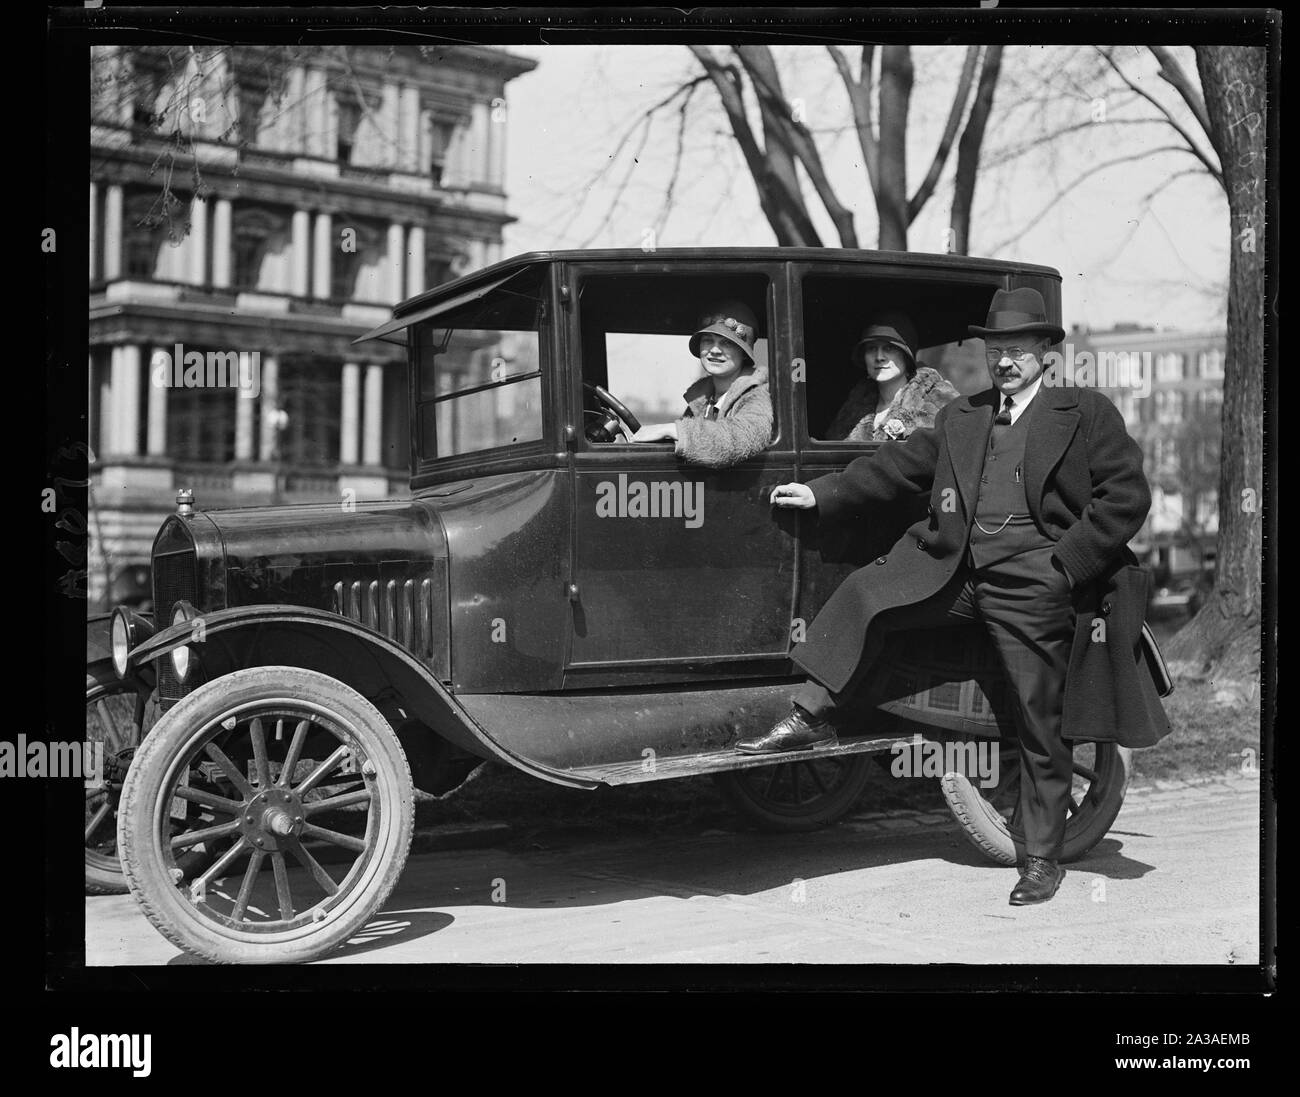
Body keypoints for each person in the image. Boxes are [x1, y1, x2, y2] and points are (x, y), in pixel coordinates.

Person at [742, 287, 1170, 906]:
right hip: (958, 572)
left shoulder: (1085, 413)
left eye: (1018, 349)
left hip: (1037, 583)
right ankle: (813, 716)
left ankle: (1042, 859)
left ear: (1046, 354)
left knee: (1038, 717)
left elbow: (1125, 498)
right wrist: (823, 493)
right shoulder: (963, 416)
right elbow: (897, 468)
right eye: (996, 348)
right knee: (870, 593)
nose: (1005, 360)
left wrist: (1063, 566)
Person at [631, 301, 772, 467]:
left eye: (727, 343)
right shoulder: (701, 399)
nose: (715, 350)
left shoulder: (758, 395)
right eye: (708, 340)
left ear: (743, 353)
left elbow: (739, 438)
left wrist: (674, 430)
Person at [823, 313, 959, 442]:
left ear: (906, 356)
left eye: (889, 348)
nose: (879, 357)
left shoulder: (939, 404)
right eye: (871, 349)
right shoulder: (852, 412)